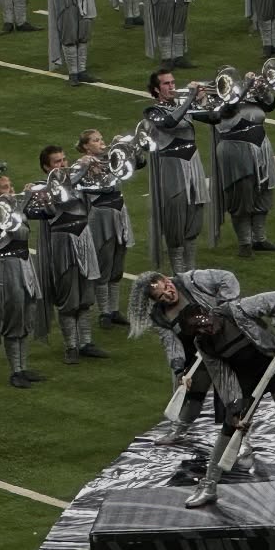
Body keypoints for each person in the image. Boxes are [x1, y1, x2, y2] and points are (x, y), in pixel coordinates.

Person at [176, 289, 275, 513]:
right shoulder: (205, 344)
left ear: (210, 313)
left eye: (206, 323)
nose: (206, 330)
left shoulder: (238, 310)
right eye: (199, 330)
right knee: (229, 428)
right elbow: (222, 377)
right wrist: (233, 408)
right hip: (246, 381)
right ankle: (209, 485)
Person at [128, 268, 238, 448]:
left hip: (227, 343)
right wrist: (179, 370)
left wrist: (224, 305)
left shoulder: (193, 280)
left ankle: (241, 442)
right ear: (155, 301)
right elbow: (172, 344)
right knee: (193, 394)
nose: (168, 294)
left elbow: (228, 277)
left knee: (232, 398)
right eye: (161, 296)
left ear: (166, 279)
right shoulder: (160, 316)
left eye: (167, 287)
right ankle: (179, 431)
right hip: (199, 354)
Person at [192, 71, 275, 259]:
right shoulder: (215, 105)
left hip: (261, 146)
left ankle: (259, 238)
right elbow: (218, 115)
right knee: (241, 195)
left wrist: (262, 89)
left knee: (264, 192)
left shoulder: (247, 97)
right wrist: (199, 97)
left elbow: (271, 105)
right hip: (236, 150)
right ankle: (244, 243)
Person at [30, 145, 106, 364]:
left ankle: (86, 343)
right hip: (63, 244)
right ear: (46, 167)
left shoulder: (78, 181)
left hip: (85, 237)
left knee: (86, 296)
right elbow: (49, 209)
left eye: (64, 159)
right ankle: (71, 346)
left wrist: (97, 166)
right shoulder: (42, 188)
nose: (63, 164)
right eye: (56, 162)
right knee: (68, 298)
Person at [0, 176, 45, 385]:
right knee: (13, 320)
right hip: (8, 269)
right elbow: (15, 234)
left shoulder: (16, 209)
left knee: (26, 318)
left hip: (25, 264)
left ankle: (23, 368)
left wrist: (26, 199)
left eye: (11, 186)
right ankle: (15, 371)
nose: (11, 189)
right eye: (5, 188)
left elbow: (46, 213)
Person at [145, 70, 210, 272]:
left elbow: (214, 117)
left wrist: (203, 98)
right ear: (156, 89)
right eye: (166, 84)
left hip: (193, 163)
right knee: (175, 219)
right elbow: (169, 123)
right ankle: (178, 272)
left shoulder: (183, 106)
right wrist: (189, 99)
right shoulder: (152, 111)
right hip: (171, 166)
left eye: (173, 82)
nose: (172, 86)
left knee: (194, 218)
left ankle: (190, 271)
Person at [76, 130, 132, 328]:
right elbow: (81, 188)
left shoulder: (112, 157)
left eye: (102, 138)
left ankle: (114, 310)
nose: (102, 142)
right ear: (86, 146)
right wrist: (88, 167)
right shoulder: (82, 164)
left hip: (119, 210)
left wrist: (125, 148)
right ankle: (104, 312)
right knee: (104, 263)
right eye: (96, 140)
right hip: (101, 214)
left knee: (118, 263)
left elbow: (136, 165)